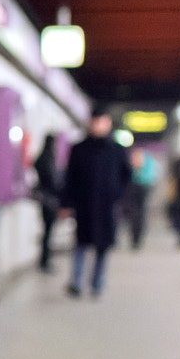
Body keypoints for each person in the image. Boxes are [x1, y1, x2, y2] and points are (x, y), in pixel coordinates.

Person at [58, 111, 131, 298]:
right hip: (84, 205)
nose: (98, 125)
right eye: (95, 122)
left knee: (102, 246)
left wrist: (116, 194)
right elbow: (70, 178)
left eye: (102, 122)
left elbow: (126, 175)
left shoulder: (116, 149)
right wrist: (66, 203)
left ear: (108, 123)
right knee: (80, 244)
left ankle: (97, 282)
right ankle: (76, 282)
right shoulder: (79, 149)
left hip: (106, 206)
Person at [33, 133, 64, 272]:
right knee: (48, 231)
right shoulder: (47, 160)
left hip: (45, 199)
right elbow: (51, 181)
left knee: (47, 230)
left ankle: (45, 259)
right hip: (49, 200)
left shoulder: (42, 158)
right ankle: (44, 260)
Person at [122, 146, 160, 250]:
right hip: (132, 198)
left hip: (141, 195)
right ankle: (134, 238)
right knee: (133, 216)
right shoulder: (130, 173)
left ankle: (137, 239)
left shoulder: (146, 176)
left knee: (140, 216)